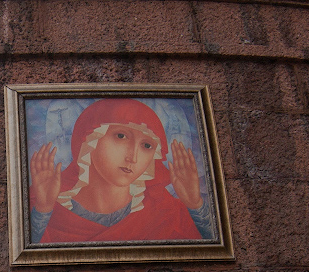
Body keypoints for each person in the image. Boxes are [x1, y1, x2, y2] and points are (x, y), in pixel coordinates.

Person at [27, 98, 214, 245]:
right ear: (89, 138)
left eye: (147, 145)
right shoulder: (43, 208)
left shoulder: (167, 215)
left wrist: (196, 205)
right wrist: (43, 210)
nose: (133, 157)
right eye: (121, 136)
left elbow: (211, 254)